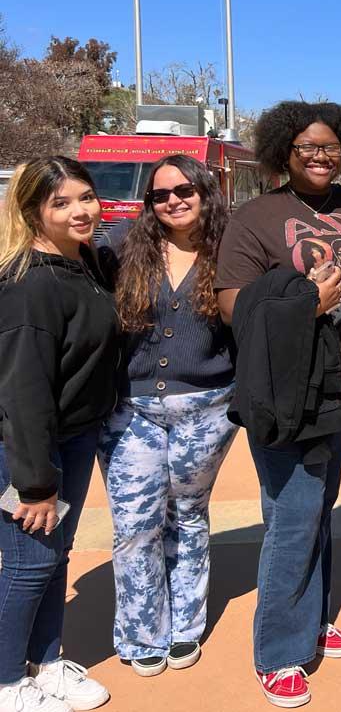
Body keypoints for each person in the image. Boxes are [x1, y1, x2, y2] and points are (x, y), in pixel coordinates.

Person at [215, 101, 341, 708]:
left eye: (332, 146)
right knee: (293, 514)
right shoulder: (256, 217)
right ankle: (280, 651)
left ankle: (311, 617)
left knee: (319, 506)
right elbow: (233, 304)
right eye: (307, 147)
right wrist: (304, 305)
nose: (320, 155)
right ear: (283, 152)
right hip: (289, 391)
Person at [95, 155, 237, 677]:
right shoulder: (121, 249)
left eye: (184, 189)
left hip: (208, 408)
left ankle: (185, 628)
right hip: (130, 410)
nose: (173, 200)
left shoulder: (231, 251)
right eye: (160, 194)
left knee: (187, 516)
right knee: (135, 523)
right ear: (149, 203)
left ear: (205, 191)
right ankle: (139, 633)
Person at [0, 158, 117, 712]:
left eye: (86, 197)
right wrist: (35, 485)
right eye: (61, 203)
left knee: (54, 558)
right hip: (31, 449)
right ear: (32, 212)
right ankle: (5, 681)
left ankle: (44, 663)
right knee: (27, 566)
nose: (81, 211)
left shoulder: (86, 263)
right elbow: (21, 394)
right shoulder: (29, 286)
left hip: (74, 436)